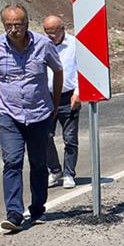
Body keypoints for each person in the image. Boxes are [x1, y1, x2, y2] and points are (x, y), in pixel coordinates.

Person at [0, 4, 62, 233]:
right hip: (9, 114)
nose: (14, 29)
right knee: (12, 162)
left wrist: (55, 103)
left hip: (39, 114)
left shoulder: (43, 44)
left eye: (18, 24)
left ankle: (37, 208)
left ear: (27, 23)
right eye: (9, 25)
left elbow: (58, 71)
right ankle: (14, 213)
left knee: (38, 163)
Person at [40, 14, 80, 189]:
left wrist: (78, 93)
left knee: (70, 138)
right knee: (45, 136)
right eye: (47, 32)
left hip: (68, 96)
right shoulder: (41, 45)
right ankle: (55, 170)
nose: (50, 35)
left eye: (53, 32)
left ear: (62, 29)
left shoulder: (74, 45)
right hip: (46, 98)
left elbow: (81, 69)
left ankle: (69, 174)